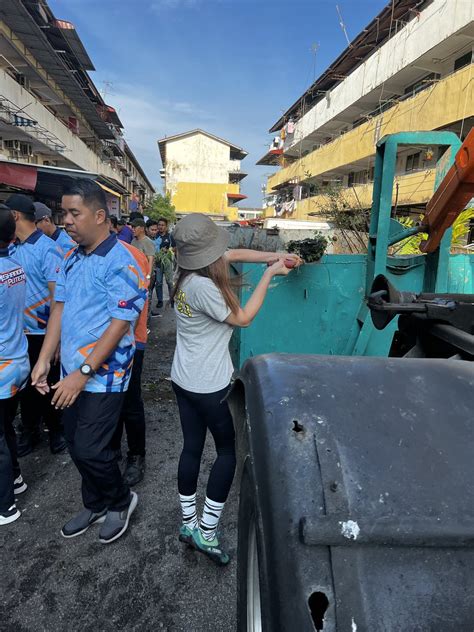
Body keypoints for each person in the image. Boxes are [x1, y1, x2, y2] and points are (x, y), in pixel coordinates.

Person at [171, 213, 301, 565]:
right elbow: (244, 318)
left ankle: (188, 524)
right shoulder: (204, 288)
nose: (224, 251)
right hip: (209, 386)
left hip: (182, 380)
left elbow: (235, 255)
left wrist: (274, 256)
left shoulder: (183, 273)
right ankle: (207, 533)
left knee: (192, 449)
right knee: (227, 452)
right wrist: (272, 274)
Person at [31, 179, 147, 544]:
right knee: (73, 438)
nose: (66, 220)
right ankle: (94, 502)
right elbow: (59, 310)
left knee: (90, 447)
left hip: (104, 375)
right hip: (70, 373)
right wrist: (45, 359)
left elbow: (120, 322)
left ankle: (121, 500)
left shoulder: (122, 261)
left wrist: (82, 373)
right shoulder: (70, 257)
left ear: (100, 216)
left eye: (73, 213)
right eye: (63, 212)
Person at [6, 194, 66, 457]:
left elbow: (58, 297)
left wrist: (57, 338)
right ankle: (29, 431)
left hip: (44, 333)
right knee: (27, 390)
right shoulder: (11, 248)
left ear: (15, 216)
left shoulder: (47, 248)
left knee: (49, 385)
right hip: (20, 332)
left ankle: (56, 431)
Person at [0, 205, 29, 526]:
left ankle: (5, 506)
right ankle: (15, 479)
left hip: (2, 365)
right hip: (16, 358)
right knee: (7, 427)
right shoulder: (15, 265)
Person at [112, 246, 149, 486]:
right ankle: (110, 447)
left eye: (76, 213)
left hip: (130, 341)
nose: (69, 223)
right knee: (104, 400)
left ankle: (136, 455)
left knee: (129, 401)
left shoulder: (131, 255)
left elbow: (136, 304)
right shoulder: (75, 254)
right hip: (90, 345)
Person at [151, 217, 175, 316]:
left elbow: (174, 248)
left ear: (166, 226)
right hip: (158, 263)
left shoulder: (170, 237)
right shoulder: (154, 236)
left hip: (168, 262)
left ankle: (172, 300)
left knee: (170, 282)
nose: (161, 227)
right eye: (159, 225)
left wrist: (168, 250)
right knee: (159, 282)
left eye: (163, 225)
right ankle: (160, 300)